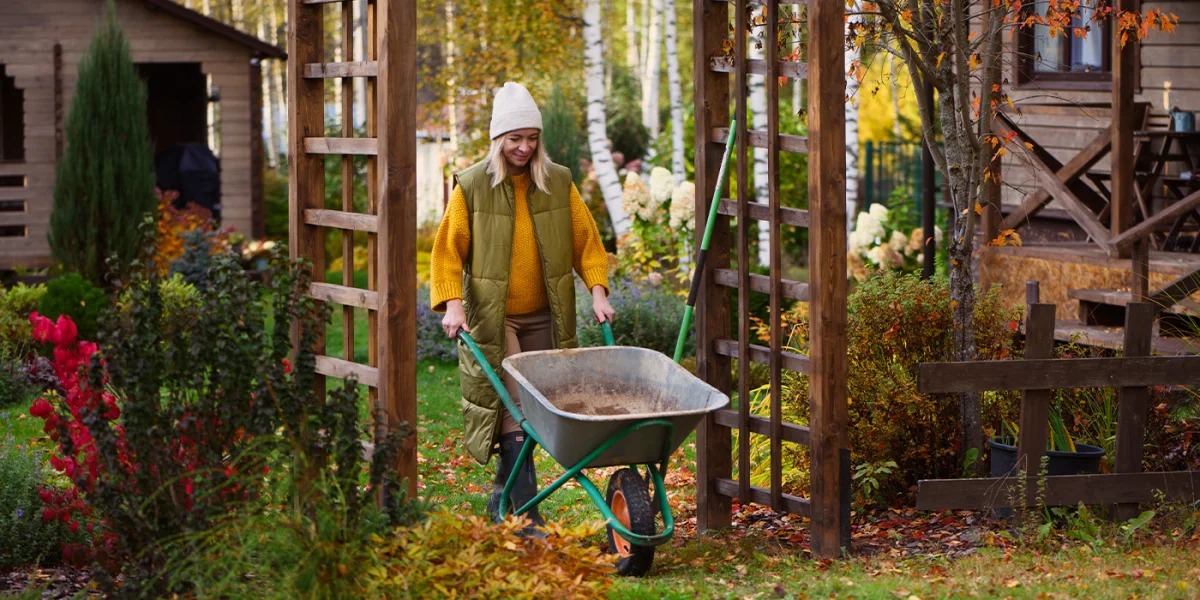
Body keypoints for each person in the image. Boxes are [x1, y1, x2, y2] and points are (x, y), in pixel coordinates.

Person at [431, 81, 615, 531]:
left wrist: (598, 291)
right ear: (498, 138)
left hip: (546, 314)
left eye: (532, 138)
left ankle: (502, 502)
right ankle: (529, 519)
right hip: (498, 318)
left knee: (535, 412)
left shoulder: (557, 181)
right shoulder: (473, 185)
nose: (525, 147)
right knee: (517, 408)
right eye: (515, 138)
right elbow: (447, 251)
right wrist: (453, 305)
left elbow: (587, 242)